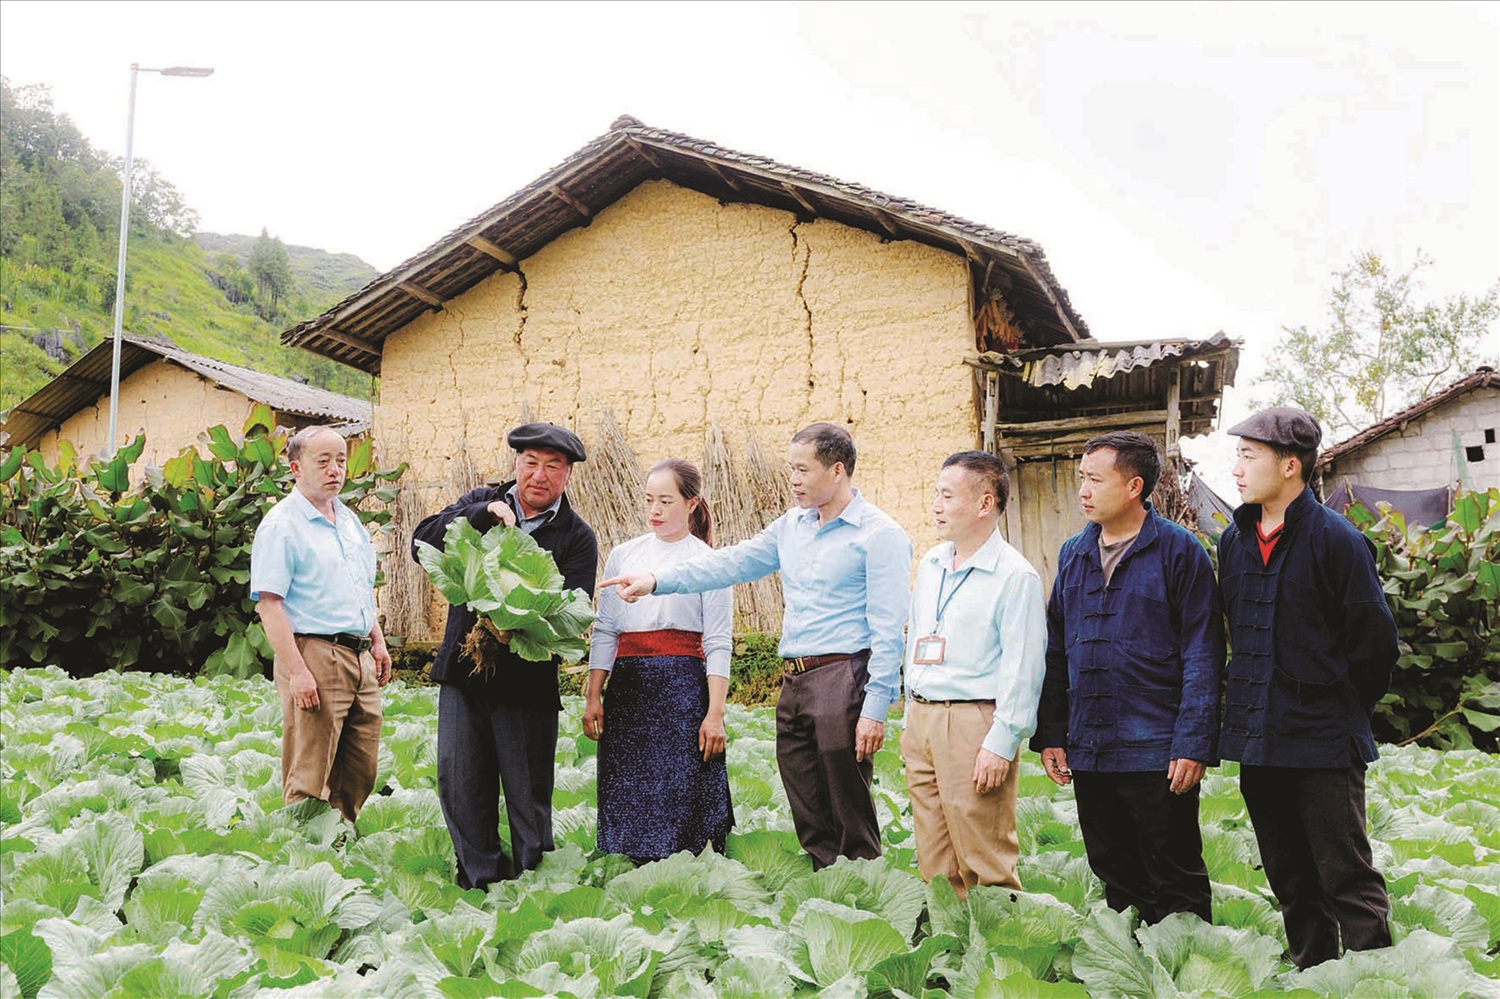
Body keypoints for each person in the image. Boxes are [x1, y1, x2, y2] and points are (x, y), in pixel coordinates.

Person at [603, 422, 912, 869]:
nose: (794, 480)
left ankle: (865, 882)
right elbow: (729, 564)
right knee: (804, 793)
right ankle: (829, 879)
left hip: (844, 675)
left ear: (838, 470)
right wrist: (657, 581)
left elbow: (888, 630)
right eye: (792, 469)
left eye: (803, 470)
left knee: (846, 795)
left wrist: (876, 709)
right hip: (796, 678)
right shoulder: (792, 526)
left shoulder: (879, 534)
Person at [1220, 407, 1398, 969]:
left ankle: (1374, 980)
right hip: (1259, 740)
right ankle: (1316, 975)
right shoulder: (1235, 540)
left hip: (1322, 742)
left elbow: (1376, 645)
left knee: (1346, 876)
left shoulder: (1336, 540)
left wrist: (1338, 708)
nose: (1237, 469)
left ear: (1290, 465)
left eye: (1249, 456)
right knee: (1291, 879)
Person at [1031, 430, 1224, 924]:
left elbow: (1203, 652)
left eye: (1095, 479)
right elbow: (1056, 647)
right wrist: (1051, 732)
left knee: (1172, 866)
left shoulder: (1179, 551)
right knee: (1111, 865)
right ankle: (1133, 965)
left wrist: (1193, 742)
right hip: (1091, 745)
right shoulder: (1074, 553)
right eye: (1081, 479)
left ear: (1134, 486)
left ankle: (1187, 967)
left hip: (1157, 748)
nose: (1083, 491)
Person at [411, 423, 598, 888]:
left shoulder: (577, 536)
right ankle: (481, 880)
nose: (540, 475)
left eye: (553, 467)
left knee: (527, 790)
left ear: (568, 476)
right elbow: (423, 542)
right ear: (516, 464)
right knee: (461, 782)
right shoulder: (479, 501)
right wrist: (479, 514)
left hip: (527, 683)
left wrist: (514, 626)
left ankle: (535, 883)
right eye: (531, 463)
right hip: (464, 670)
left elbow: (573, 609)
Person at [902, 451, 1046, 896]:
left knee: (985, 855)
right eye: (935, 495)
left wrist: (1001, 743)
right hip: (923, 719)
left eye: (947, 496)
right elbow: (916, 643)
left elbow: (1024, 668)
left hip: (973, 723)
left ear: (985, 504)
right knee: (934, 857)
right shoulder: (931, 564)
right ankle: (955, 953)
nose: (936, 506)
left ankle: (1002, 955)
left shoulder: (1014, 576)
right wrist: (911, 717)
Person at [585, 458, 734, 860]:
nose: (655, 510)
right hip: (629, 690)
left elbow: (719, 641)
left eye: (666, 501)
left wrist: (715, 713)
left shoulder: (709, 562)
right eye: (649, 500)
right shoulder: (624, 555)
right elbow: (606, 630)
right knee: (628, 787)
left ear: (691, 503)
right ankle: (624, 869)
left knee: (681, 790)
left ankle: (686, 874)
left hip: (684, 691)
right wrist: (593, 695)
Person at [251, 425, 392, 824]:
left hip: (359, 653)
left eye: (341, 460)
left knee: (360, 766)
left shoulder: (348, 520)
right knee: (310, 769)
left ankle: (339, 838)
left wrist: (377, 639)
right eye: (323, 461)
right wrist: (297, 672)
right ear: (296, 467)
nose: (335, 469)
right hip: (314, 652)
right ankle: (302, 853)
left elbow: (360, 588)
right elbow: (270, 605)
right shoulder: (282, 525)